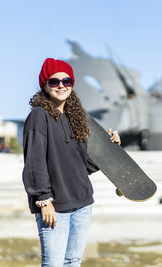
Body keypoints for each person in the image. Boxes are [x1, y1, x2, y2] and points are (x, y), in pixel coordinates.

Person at [22, 58, 120, 267]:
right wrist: (44, 200)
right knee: (54, 263)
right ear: (44, 86)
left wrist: (109, 150)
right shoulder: (39, 116)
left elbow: (82, 165)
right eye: (54, 82)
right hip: (54, 207)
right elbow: (34, 162)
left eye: (66, 81)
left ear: (72, 84)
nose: (61, 86)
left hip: (82, 203)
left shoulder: (75, 118)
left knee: (73, 261)